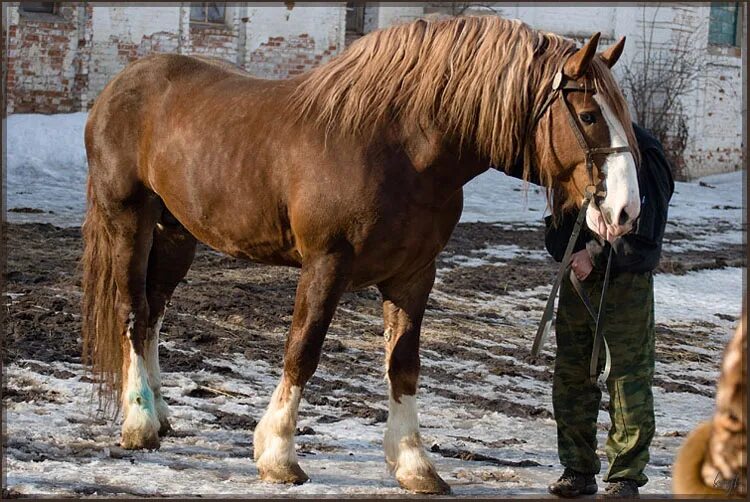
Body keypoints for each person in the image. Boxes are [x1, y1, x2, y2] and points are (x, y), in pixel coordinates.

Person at [503, 123, 674, 498]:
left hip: (624, 282)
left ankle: (625, 475)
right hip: (578, 281)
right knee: (572, 376)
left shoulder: (643, 149)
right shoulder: (578, 148)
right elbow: (562, 215)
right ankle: (577, 469)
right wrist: (568, 250)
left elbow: (649, 230)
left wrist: (594, 256)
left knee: (627, 379)